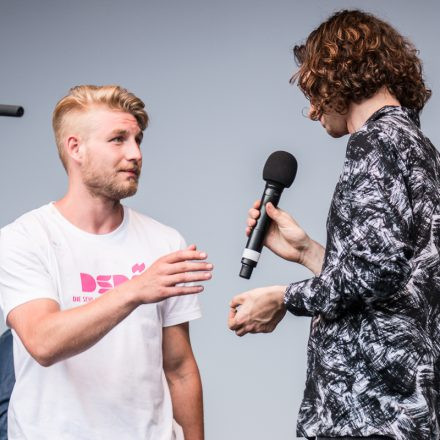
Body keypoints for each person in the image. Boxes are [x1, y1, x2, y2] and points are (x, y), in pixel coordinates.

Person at [228, 9, 440, 440]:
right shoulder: (420, 149)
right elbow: (401, 284)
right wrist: (307, 250)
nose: (310, 111)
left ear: (340, 76)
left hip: (367, 411)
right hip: (407, 407)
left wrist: (284, 299)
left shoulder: (373, 142)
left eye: (313, 90)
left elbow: (377, 272)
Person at [0, 85, 213, 440]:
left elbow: (179, 368)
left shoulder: (164, 242)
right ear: (75, 148)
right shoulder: (23, 238)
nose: (135, 153)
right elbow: (43, 342)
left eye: (138, 139)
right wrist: (135, 290)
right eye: (118, 139)